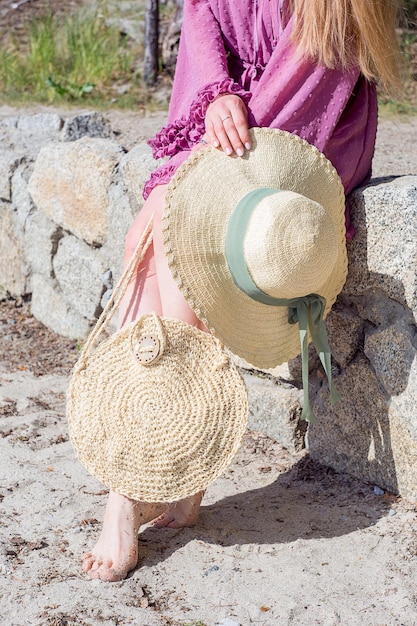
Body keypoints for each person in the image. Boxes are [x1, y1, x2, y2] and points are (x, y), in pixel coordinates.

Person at [81, 0, 402, 582]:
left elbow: (316, 73)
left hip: (307, 135)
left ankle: (131, 487)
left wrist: (230, 124)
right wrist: (215, 96)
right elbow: (203, 14)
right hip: (233, 118)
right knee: (142, 243)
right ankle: (174, 469)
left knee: (180, 258)